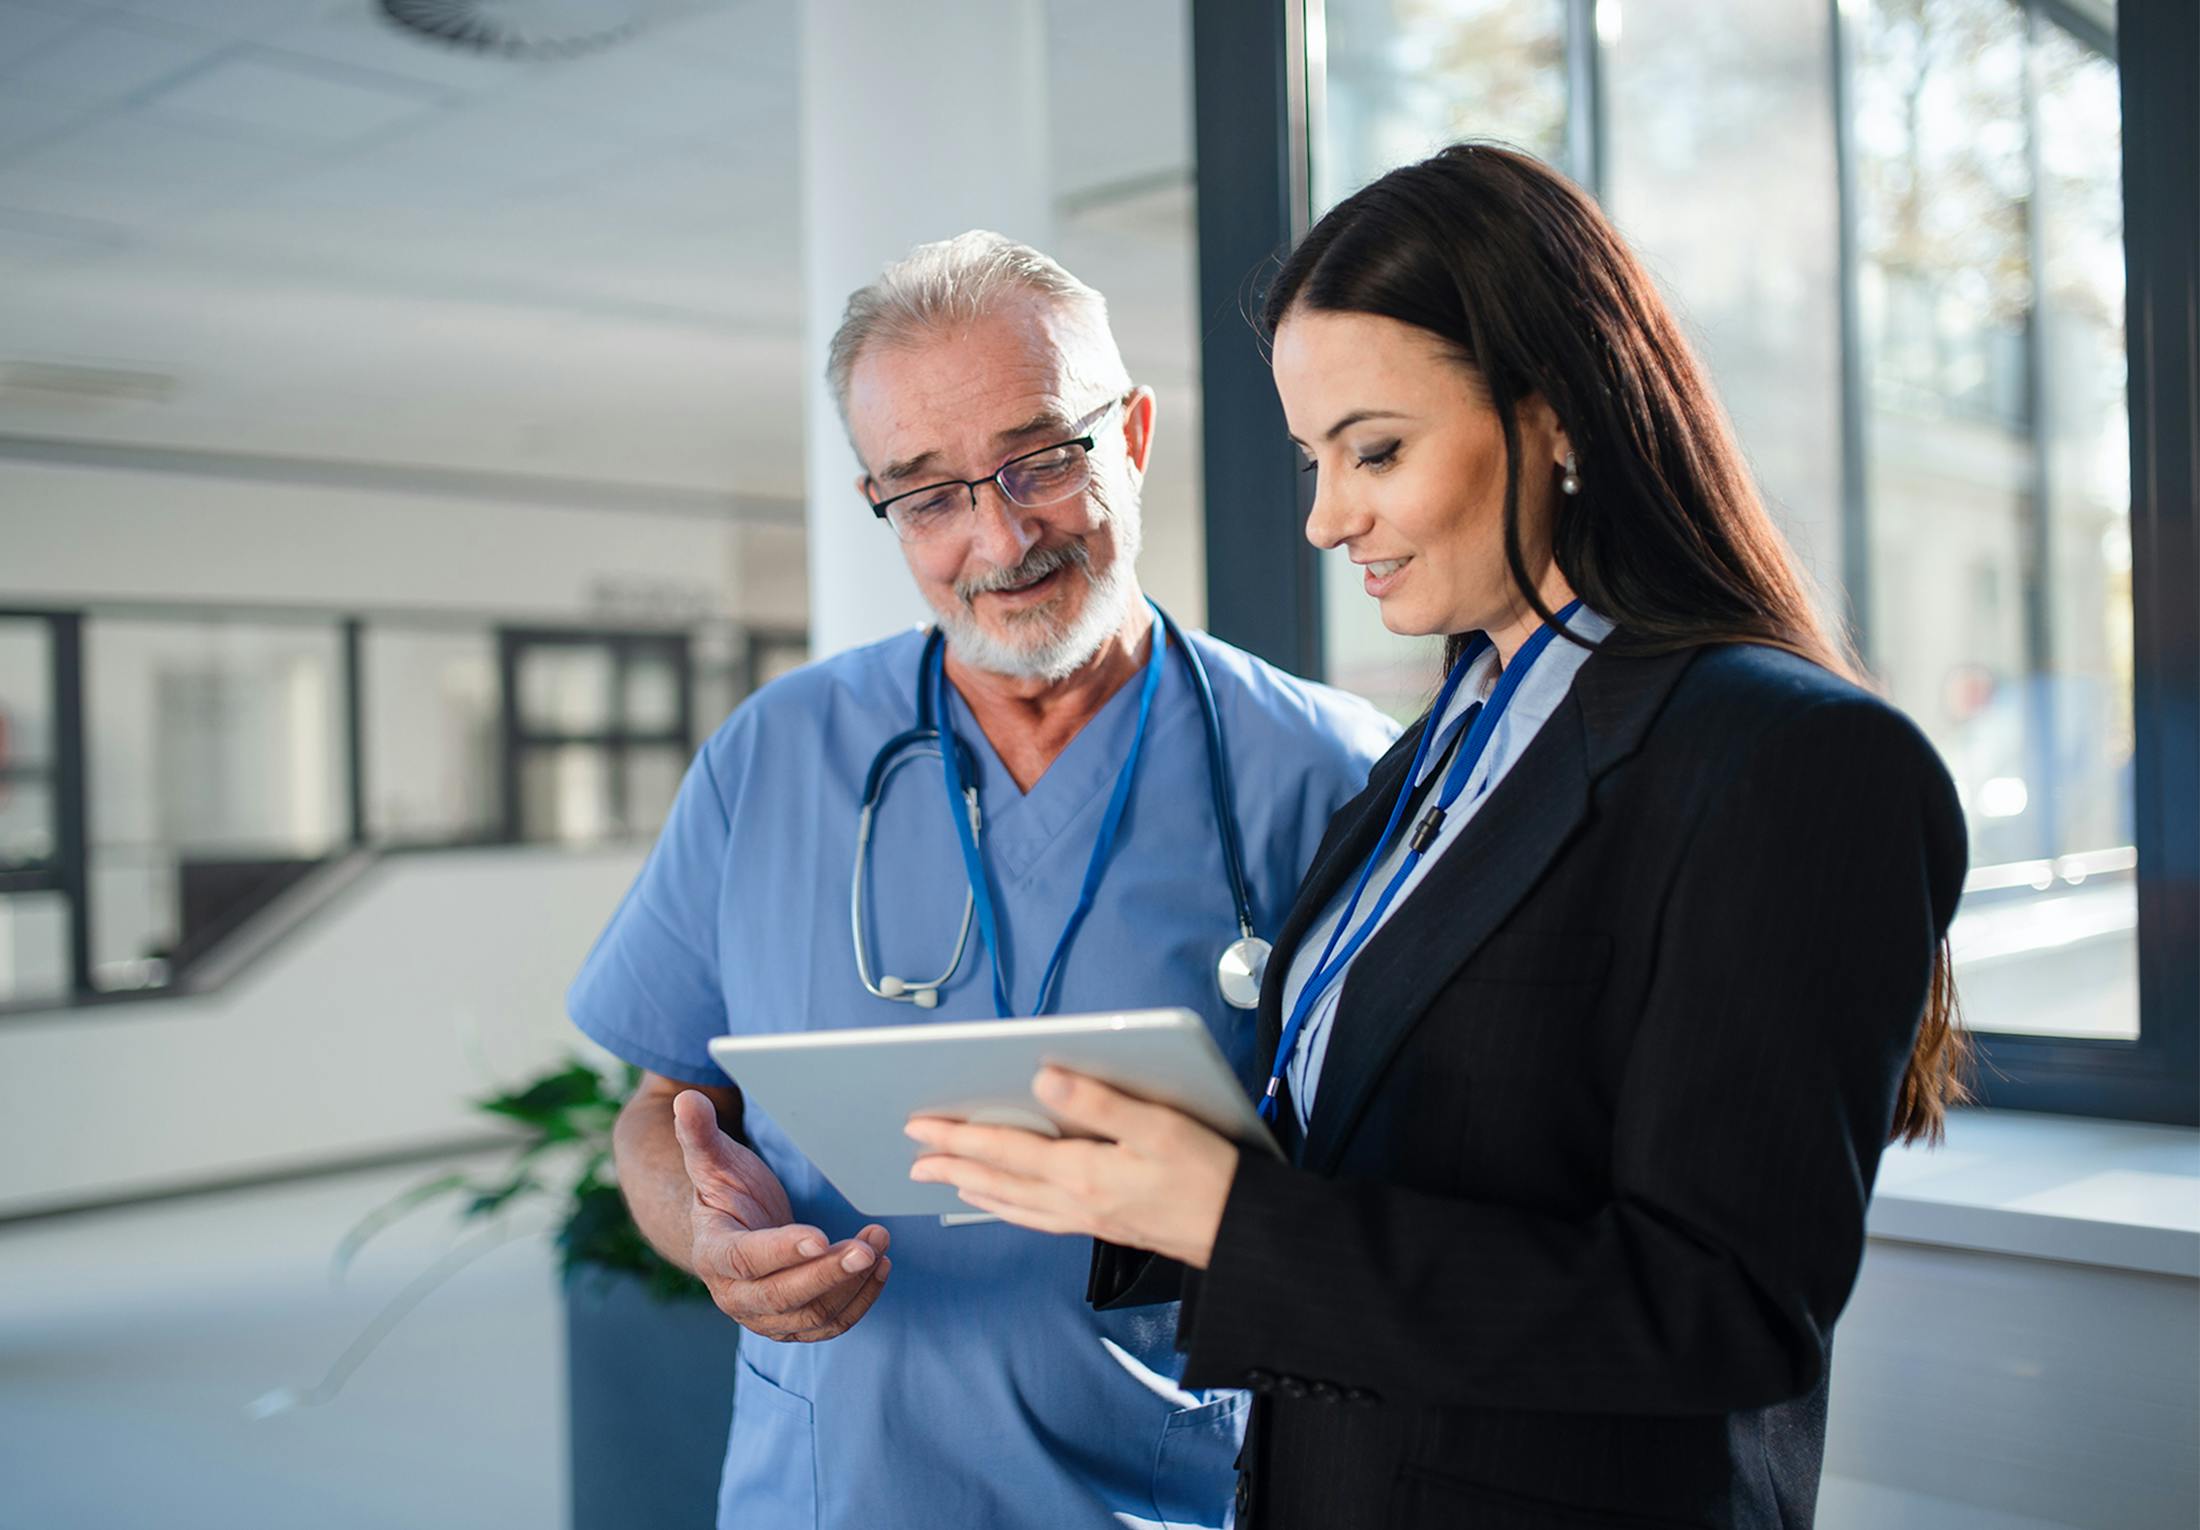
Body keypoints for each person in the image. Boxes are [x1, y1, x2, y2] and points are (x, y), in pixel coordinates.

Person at [905, 146, 1970, 1529]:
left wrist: (1237, 1220)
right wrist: (1149, 1172)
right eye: (1313, 458)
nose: (1325, 515)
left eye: (1377, 450)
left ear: (1563, 418)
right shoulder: (1440, 749)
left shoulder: (1792, 761)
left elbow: (1719, 1311)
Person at [567, 230, 1393, 1530]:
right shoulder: (773, 757)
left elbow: (1404, 1187)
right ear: (881, 507)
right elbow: (664, 1102)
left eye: (1041, 460)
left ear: (1133, 433)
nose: (999, 535)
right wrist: (710, 1239)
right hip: (831, 1490)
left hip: (1169, 1486)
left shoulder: (1327, 772)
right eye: (930, 493)